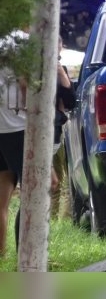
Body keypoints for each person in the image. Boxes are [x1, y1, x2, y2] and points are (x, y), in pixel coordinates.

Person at [0, 30, 28, 257]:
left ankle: (1, 255)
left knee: (2, 198)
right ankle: (27, 256)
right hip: (18, 126)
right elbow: (25, 82)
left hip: (2, 126)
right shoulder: (19, 40)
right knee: (38, 188)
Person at [51, 37, 76, 220]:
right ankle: (49, 218)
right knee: (53, 179)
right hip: (43, 129)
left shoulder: (61, 70)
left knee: (60, 177)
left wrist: (61, 74)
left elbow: (70, 101)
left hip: (57, 127)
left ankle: (58, 220)